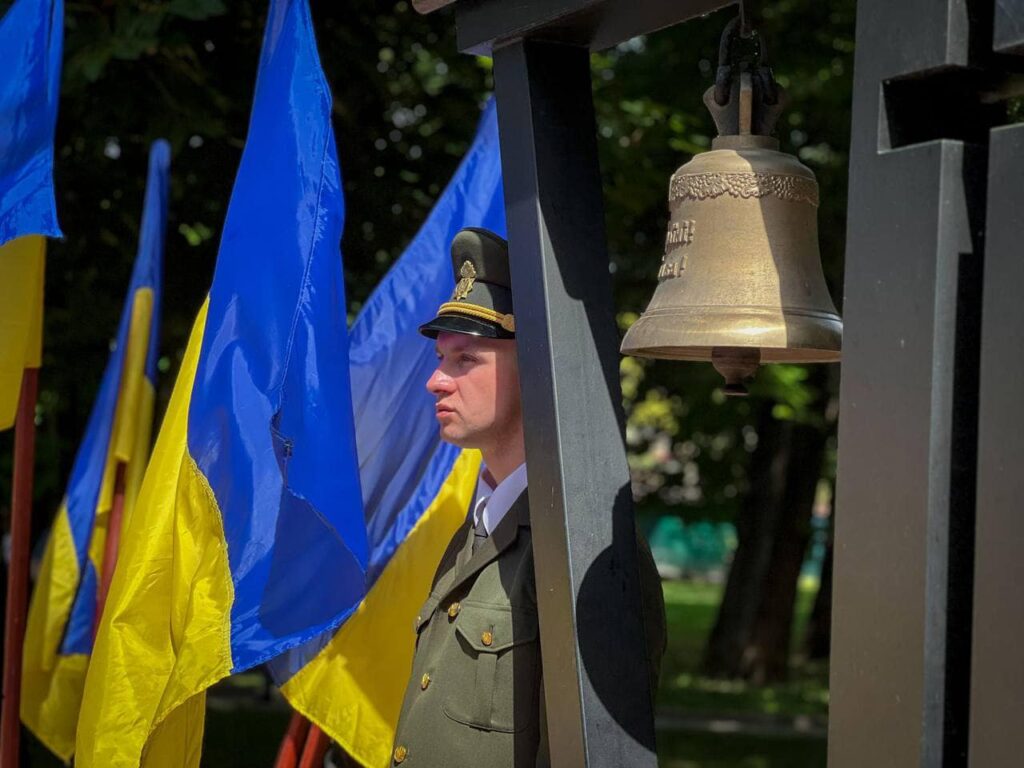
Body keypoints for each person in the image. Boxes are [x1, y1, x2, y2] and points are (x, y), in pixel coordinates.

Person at [389, 228, 665, 767]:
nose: (436, 382)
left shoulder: (584, 548)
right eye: (442, 358)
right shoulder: (480, 529)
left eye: (464, 360)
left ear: (536, 369)